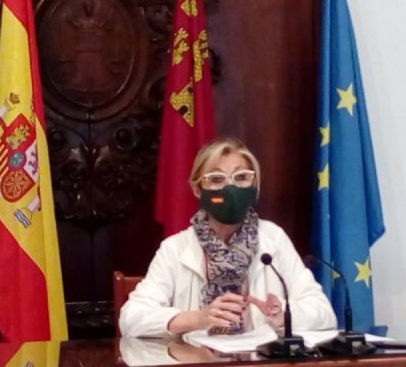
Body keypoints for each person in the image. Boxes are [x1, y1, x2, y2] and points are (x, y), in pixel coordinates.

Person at [119, 138, 336, 337]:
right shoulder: (175, 248)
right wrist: (197, 319)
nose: (230, 188)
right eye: (216, 179)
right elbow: (131, 318)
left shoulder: (273, 239)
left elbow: (324, 313)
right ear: (197, 189)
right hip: (196, 358)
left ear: (254, 185)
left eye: (241, 178)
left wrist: (284, 315)